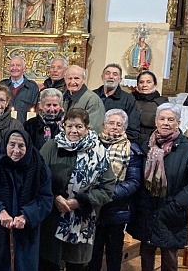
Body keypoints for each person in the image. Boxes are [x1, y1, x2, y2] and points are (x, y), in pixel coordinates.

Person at [127, 103, 188, 271]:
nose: (166, 123)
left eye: (171, 119)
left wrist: (177, 205)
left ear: (178, 122)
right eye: (162, 119)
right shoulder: (145, 145)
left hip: (171, 211)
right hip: (147, 209)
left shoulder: (187, 149)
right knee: (146, 252)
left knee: (169, 256)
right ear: (156, 121)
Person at [39, 108, 115, 271]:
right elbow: (37, 178)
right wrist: (54, 197)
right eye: (70, 126)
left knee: (76, 266)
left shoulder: (99, 152)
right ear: (63, 126)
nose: (74, 130)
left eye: (79, 126)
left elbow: (107, 189)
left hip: (82, 221)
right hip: (51, 219)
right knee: (48, 263)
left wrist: (79, 202)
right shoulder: (51, 147)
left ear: (87, 128)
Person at [0, 129, 53, 271]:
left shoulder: (39, 167)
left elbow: (45, 198)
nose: (16, 150)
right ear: (5, 144)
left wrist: (27, 215)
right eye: (12, 145)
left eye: (21, 146)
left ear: (28, 146)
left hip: (26, 233)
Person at [87, 109, 144, 271]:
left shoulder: (131, 150)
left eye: (119, 124)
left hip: (116, 209)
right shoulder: (92, 144)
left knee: (114, 252)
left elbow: (133, 182)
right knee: (94, 251)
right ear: (104, 125)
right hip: (93, 208)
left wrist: (107, 194)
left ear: (124, 128)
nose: (114, 127)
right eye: (111, 123)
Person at [93, 64, 140, 142]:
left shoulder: (128, 99)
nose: (111, 77)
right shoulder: (93, 96)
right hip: (93, 141)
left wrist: (116, 139)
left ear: (120, 79)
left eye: (115, 74)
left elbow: (133, 129)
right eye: (107, 73)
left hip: (117, 144)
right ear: (102, 77)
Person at [63, 65, 105, 133]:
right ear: (65, 79)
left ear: (83, 79)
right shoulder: (63, 98)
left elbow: (93, 129)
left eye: (76, 78)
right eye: (69, 78)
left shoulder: (92, 100)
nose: (73, 82)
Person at [132, 70, 168, 147]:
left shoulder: (162, 102)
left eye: (148, 82)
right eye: (141, 82)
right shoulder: (130, 99)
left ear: (154, 84)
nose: (144, 85)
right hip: (131, 140)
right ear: (137, 85)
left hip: (152, 141)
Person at [0, 56, 40, 123]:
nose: (14, 68)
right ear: (8, 68)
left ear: (24, 69)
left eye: (18, 65)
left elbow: (36, 110)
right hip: (3, 128)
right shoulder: (1, 85)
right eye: (12, 65)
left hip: (24, 128)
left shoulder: (32, 87)